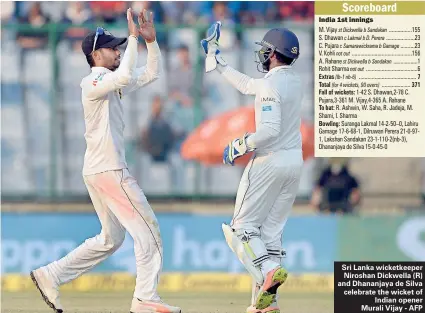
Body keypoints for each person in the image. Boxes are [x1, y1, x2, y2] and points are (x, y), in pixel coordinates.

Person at [29, 8, 181, 313]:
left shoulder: (112, 80)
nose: (118, 51)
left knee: (111, 238)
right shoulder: (94, 81)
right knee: (149, 232)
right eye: (113, 48)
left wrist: (151, 42)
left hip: (99, 170)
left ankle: (51, 275)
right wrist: (136, 38)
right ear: (96, 55)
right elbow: (125, 73)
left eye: (119, 47)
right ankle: (145, 299)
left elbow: (151, 74)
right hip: (109, 170)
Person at [201, 22, 303, 313]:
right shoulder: (292, 80)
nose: (262, 54)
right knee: (270, 234)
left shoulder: (271, 84)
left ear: (271, 53)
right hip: (293, 163)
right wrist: (218, 62)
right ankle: (265, 304)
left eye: (264, 50)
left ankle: (268, 271)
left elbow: (269, 131)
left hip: (270, 160)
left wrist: (240, 145)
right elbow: (248, 85)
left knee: (241, 229)